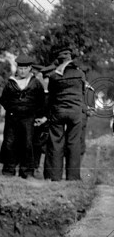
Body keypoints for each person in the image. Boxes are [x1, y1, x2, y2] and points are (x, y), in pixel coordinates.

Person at [0, 55, 47, 178]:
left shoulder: (36, 83)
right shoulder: (10, 83)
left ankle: (26, 172)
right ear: (17, 68)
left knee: (27, 144)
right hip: (12, 119)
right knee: (9, 143)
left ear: (30, 68)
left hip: (28, 119)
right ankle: (9, 170)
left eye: (25, 68)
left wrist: (38, 116)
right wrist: (12, 109)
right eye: (20, 68)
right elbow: (3, 100)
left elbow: (41, 102)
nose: (22, 71)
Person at [43, 46, 87, 181]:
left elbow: (51, 96)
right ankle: (73, 177)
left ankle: (54, 176)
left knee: (56, 142)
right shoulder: (80, 74)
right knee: (74, 143)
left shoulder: (54, 76)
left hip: (58, 112)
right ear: (70, 59)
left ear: (59, 61)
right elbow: (83, 93)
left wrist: (49, 112)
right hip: (75, 112)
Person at [32, 63, 54, 173]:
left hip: (49, 121)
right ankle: (35, 167)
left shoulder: (53, 93)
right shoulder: (38, 91)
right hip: (38, 122)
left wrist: (45, 118)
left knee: (47, 146)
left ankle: (44, 169)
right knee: (36, 144)